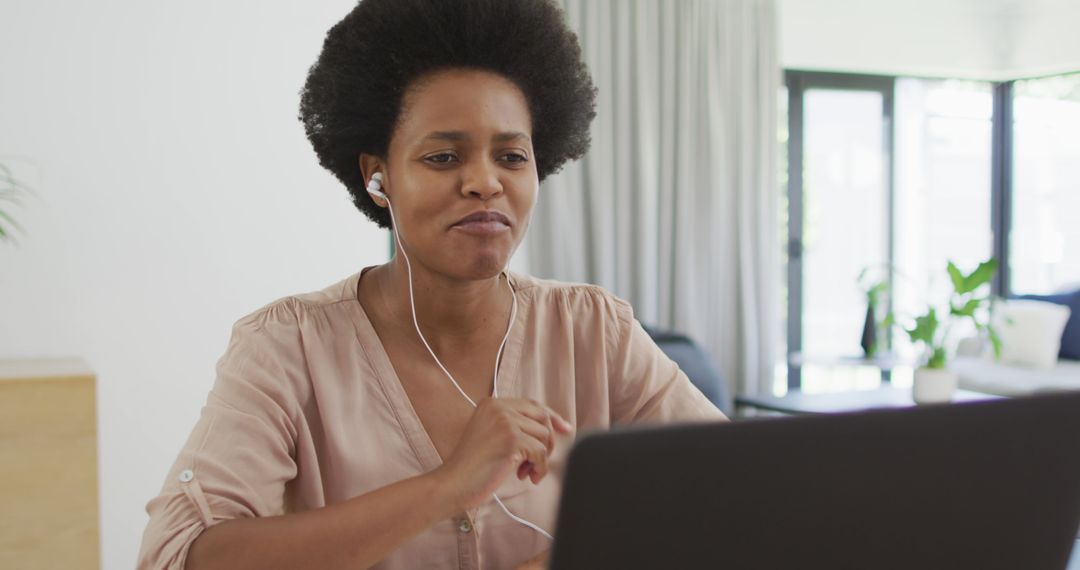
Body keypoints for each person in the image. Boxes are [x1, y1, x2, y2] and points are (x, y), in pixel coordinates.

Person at [137, 0, 726, 568]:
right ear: (378, 177)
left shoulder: (594, 331)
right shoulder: (286, 348)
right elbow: (180, 556)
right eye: (444, 157)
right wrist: (447, 485)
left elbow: (734, 489)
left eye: (513, 157)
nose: (485, 182)